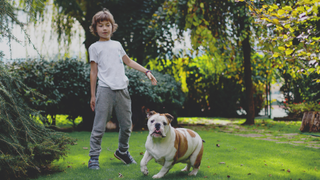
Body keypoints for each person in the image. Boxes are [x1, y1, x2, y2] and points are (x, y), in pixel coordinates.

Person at [87, 8, 157, 170]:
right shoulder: (94, 47)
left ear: (112, 27)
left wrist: (146, 71)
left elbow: (129, 62)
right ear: (95, 29)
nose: (104, 28)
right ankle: (93, 158)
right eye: (100, 25)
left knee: (126, 125)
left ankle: (123, 151)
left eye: (107, 25)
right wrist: (92, 95)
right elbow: (93, 72)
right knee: (99, 126)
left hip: (122, 90)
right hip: (104, 90)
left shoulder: (117, 45)